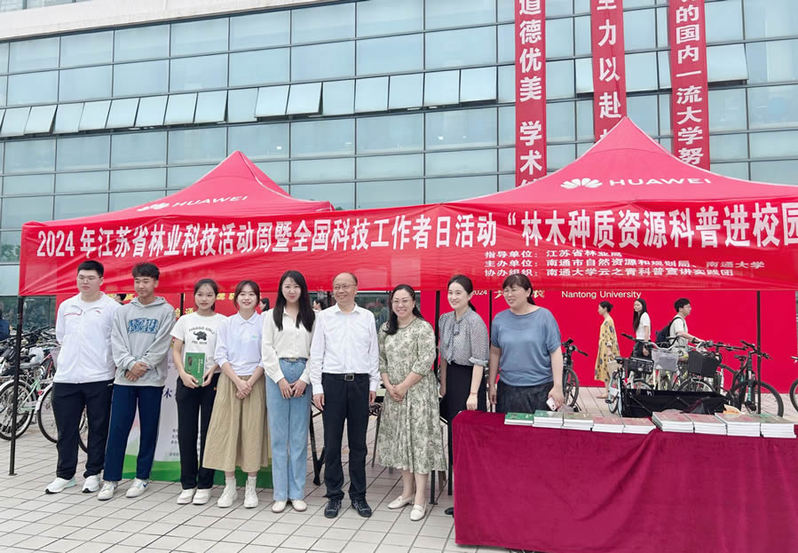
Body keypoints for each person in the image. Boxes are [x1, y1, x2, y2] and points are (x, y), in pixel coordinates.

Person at [98, 262, 175, 501]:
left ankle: (142, 477)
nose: (141, 286)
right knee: (117, 429)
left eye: (146, 281)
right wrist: (130, 364)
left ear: (155, 282)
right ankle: (110, 479)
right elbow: (117, 342)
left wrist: (142, 366)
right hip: (124, 380)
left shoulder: (166, 311)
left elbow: (162, 344)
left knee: (149, 430)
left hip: (152, 381)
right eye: (137, 281)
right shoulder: (123, 312)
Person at [45, 260, 120, 495]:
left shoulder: (112, 308)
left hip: (100, 377)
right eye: (81, 277)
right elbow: (61, 337)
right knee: (66, 429)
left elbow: (116, 341)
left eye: (90, 278)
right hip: (66, 377)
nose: (85, 282)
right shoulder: (67, 306)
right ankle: (65, 474)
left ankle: (93, 473)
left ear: (101, 280)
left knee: (98, 428)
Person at [309, 272, 379, 519]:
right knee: (332, 443)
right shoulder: (324, 317)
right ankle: (334, 495)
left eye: (345, 286)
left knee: (358, 444)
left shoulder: (367, 317)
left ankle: (358, 495)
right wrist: (317, 387)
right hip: (332, 383)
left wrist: (373, 384)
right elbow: (316, 354)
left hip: (360, 383)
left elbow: (373, 353)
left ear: (356, 289)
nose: (340, 290)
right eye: (336, 286)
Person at [378, 285, 446, 522]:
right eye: (396, 301)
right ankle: (406, 493)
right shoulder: (385, 329)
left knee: (418, 443)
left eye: (405, 300)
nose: (400, 305)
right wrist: (389, 386)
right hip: (394, 394)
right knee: (401, 443)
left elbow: (426, 360)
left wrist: (404, 386)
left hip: (418, 395)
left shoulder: (423, 328)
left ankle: (420, 497)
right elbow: (381, 360)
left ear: (414, 302)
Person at [203, 280, 267, 509]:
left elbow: (266, 356)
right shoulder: (227, 323)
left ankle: (251, 487)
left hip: (255, 382)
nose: (247, 298)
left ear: (258, 298)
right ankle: (229, 487)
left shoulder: (264, 322)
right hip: (230, 382)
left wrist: (249, 382)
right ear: (236, 298)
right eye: (242, 294)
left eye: (251, 294)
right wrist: (239, 382)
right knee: (227, 432)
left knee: (252, 432)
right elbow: (220, 355)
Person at [261, 270, 314, 513]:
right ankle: (280, 494)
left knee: (299, 436)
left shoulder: (312, 316)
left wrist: (304, 379)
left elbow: (316, 351)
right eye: (287, 286)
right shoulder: (270, 316)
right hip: (277, 374)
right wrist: (280, 379)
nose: (291, 290)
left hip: (303, 372)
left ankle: (297, 492)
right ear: (281, 289)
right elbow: (266, 349)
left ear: (302, 289)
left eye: (296, 286)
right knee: (279, 437)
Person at [171, 279, 226, 506]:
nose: (204, 299)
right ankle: (187, 484)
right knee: (186, 433)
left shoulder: (223, 322)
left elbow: (225, 353)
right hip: (187, 381)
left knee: (209, 434)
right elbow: (176, 350)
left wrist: (213, 370)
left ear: (216, 297)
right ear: (194, 296)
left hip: (212, 381)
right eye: (200, 294)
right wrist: (183, 373)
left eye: (209, 294)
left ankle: (205, 484)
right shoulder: (185, 320)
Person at [488, 273, 564, 414]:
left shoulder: (544, 317)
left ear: (528, 292)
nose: (509, 294)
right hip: (508, 389)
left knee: (538, 429)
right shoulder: (499, 319)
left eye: (514, 290)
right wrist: (491, 384)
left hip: (540, 389)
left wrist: (558, 386)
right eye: (506, 290)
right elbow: (494, 352)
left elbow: (555, 352)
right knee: (508, 428)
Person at [439, 275, 489, 423]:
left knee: (469, 425)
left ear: (470, 295)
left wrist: (473, 394)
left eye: (458, 293)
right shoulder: (445, 319)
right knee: (453, 423)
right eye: (450, 293)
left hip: (469, 378)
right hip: (451, 377)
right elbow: (443, 355)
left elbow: (479, 361)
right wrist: (443, 384)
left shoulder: (475, 322)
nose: (453, 297)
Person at [595, 301, 620, 400]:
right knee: (607, 369)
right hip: (604, 348)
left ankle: (610, 391)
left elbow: (609, 335)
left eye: (599, 308)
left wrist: (609, 350)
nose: (598, 310)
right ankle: (608, 391)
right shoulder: (607, 320)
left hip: (607, 349)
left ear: (605, 308)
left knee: (609, 369)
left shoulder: (608, 321)